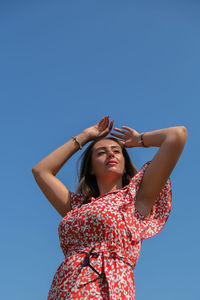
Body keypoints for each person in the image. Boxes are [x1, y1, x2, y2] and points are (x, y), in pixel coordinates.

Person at [32, 116, 187, 299]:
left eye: (116, 151)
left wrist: (139, 140)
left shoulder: (136, 199)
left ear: (124, 161)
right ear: (91, 168)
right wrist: (85, 136)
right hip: (65, 288)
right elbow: (41, 171)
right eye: (101, 152)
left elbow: (177, 135)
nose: (111, 154)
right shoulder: (77, 206)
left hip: (108, 290)